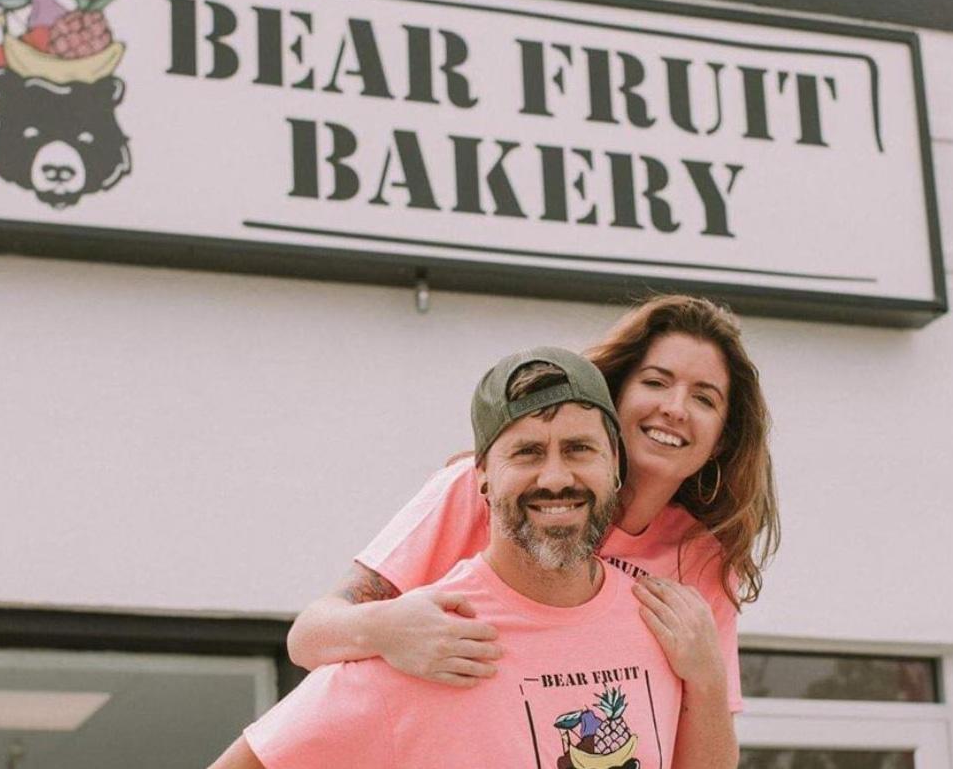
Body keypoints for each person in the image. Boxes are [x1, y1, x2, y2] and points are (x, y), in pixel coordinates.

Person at [288, 295, 780, 768]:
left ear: (721, 438)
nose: (675, 407)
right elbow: (309, 636)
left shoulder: (703, 561)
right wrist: (386, 629)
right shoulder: (480, 492)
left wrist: (709, 679)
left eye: (704, 398)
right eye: (656, 382)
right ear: (616, 397)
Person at [210, 347, 683, 768]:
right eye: (527, 452)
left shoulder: (659, 622)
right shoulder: (428, 635)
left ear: (615, 467)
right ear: (481, 477)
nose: (555, 476)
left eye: (580, 449)